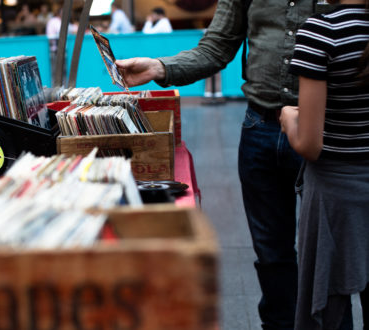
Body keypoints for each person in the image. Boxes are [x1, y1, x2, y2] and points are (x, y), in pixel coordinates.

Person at [115, 0, 348, 329]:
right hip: (260, 127)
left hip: (327, 131)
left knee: (330, 260)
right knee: (271, 256)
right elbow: (217, 47)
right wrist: (159, 67)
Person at [280, 0, 369, 328]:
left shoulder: (321, 31)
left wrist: (290, 117)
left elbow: (309, 145)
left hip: (334, 196)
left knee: (326, 312)